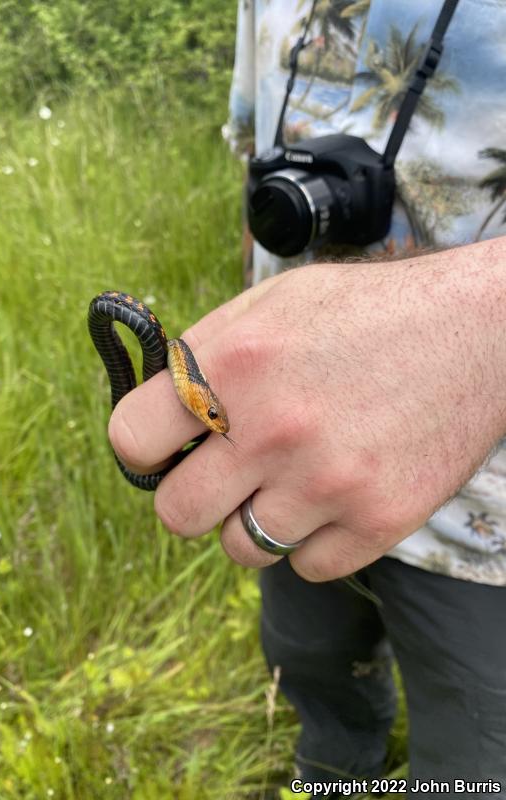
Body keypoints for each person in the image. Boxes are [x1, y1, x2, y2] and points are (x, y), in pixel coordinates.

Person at [109, 1, 506, 796]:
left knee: (475, 761)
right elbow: (258, 173)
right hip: (280, 459)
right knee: (311, 664)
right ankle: (331, 773)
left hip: (485, 528)